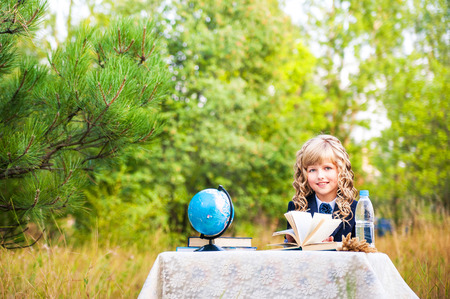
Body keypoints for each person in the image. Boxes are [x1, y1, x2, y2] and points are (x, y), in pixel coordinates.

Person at [286, 134, 358, 243]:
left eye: (327, 168)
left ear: (340, 170)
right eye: (312, 170)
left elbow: (363, 251)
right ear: (305, 173)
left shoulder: (356, 209)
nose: (320, 176)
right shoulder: (296, 206)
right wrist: (291, 242)